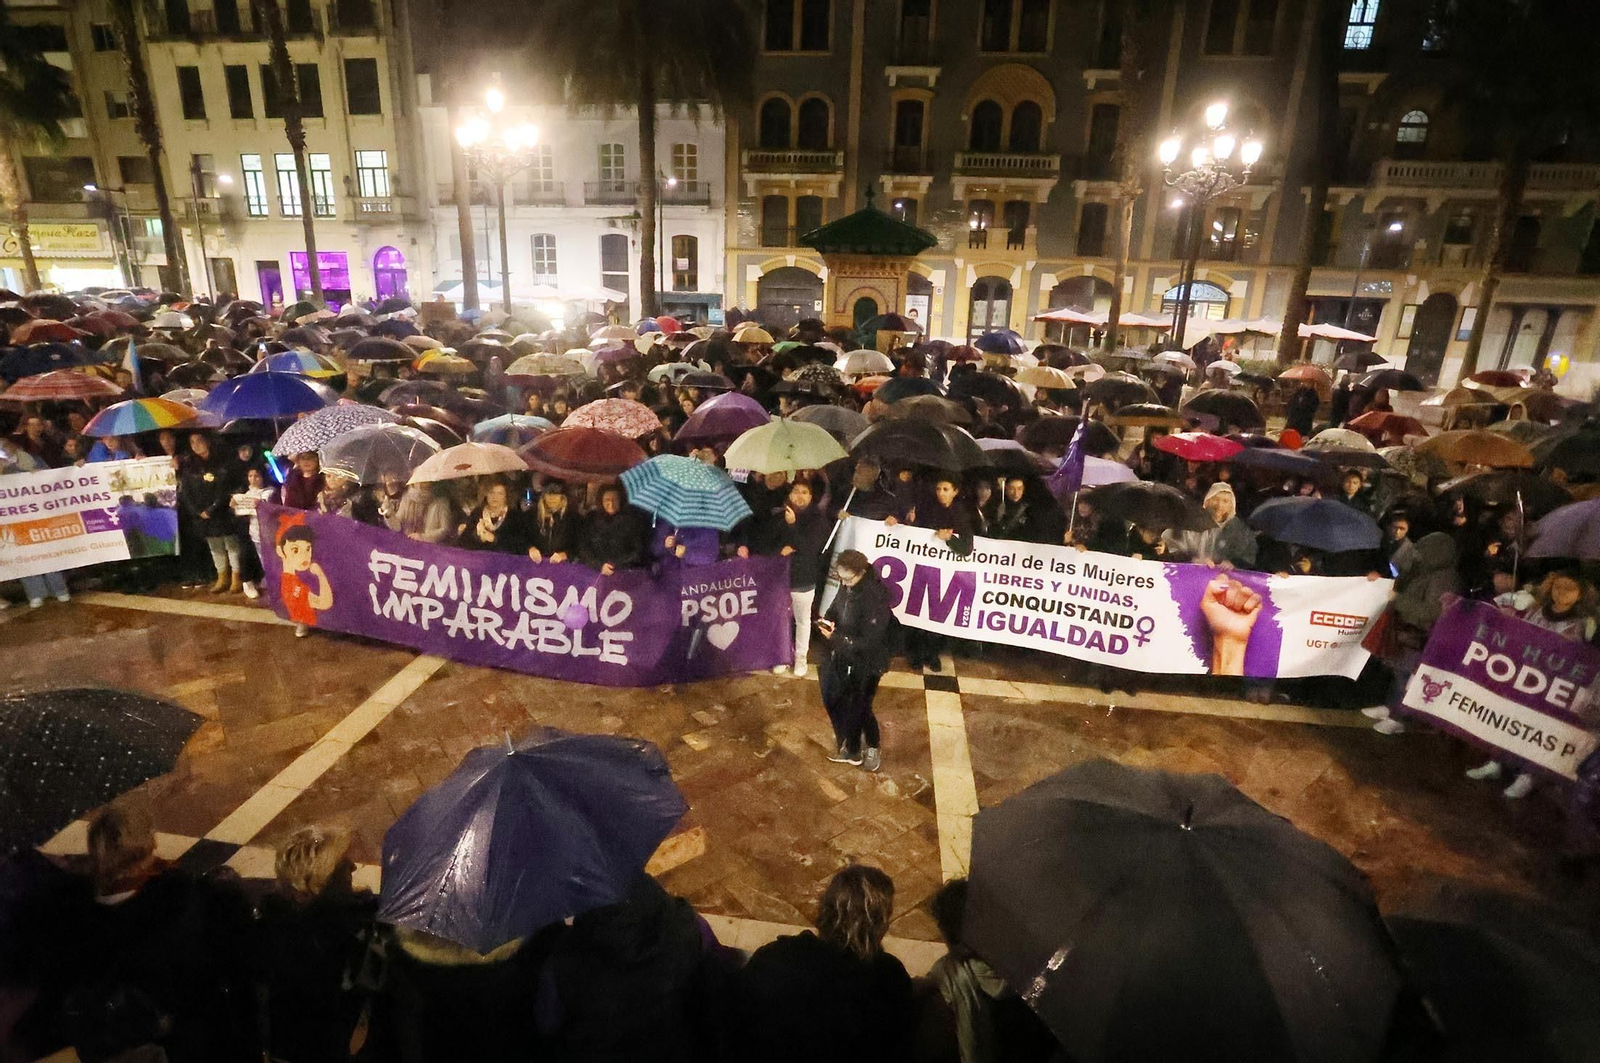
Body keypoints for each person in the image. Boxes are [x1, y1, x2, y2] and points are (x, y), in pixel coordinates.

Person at [735, 865, 915, 1063]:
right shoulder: (891, 978)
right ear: (881, 926)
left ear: (822, 908)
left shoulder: (773, 957)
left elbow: (739, 1021)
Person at [1465, 571, 1599, 799]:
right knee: (1514, 720)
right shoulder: (1537, 612)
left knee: (1540, 729)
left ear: (1581, 594)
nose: (1562, 593)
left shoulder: (1586, 624)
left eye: (1569, 588)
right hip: (1526, 679)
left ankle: (1529, 776)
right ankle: (1498, 762)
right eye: (1558, 586)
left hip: (1555, 687)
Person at [256, 828, 377, 1063]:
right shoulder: (339, 939)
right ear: (312, 887)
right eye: (341, 865)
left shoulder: (268, 927)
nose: (352, 866)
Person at [818, 550, 894, 770]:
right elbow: (835, 607)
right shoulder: (847, 585)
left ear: (861, 572)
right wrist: (828, 620)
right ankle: (852, 748)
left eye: (848, 578)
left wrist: (837, 638)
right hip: (846, 655)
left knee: (862, 705)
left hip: (870, 661)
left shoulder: (874, 597)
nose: (844, 583)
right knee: (849, 701)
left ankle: (871, 746)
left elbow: (870, 640)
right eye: (840, 578)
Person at [766, 479, 830, 678]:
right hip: (780, 577)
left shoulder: (818, 520)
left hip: (803, 578)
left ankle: (801, 656)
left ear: (811, 497)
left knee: (802, 620)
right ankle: (782, 655)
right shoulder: (779, 514)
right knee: (781, 619)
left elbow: (810, 548)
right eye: (796, 491)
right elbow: (768, 543)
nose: (799, 496)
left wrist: (793, 526)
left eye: (804, 492)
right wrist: (780, 550)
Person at [180, 432, 246, 594]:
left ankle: (236, 577)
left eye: (199, 440)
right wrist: (197, 511)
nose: (196, 445)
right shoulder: (190, 465)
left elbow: (228, 488)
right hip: (202, 514)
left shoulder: (223, 461)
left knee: (231, 543)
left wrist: (213, 508)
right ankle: (222, 576)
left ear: (208, 441)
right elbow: (186, 492)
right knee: (215, 546)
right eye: (192, 442)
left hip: (223, 512)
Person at [1162, 482, 1257, 569]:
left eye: (1225, 501)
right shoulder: (1191, 521)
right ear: (1207, 501)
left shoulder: (1237, 528)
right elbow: (1172, 546)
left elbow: (1248, 553)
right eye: (1215, 499)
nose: (1219, 505)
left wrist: (1233, 563)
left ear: (1231, 505)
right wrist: (1193, 560)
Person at [230, 465, 278, 599]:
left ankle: (274, 583)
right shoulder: (247, 493)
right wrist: (235, 506)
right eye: (250, 476)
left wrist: (260, 503)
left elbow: (268, 504)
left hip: (269, 532)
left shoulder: (270, 491)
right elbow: (242, 510)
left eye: (256, 476)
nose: (253, 479)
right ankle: (268, 580)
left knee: (272, 558)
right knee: (262, 558)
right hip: (255, 532)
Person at [578, 485, 649, 575]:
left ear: (620, 500)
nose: (611, 504)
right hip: (595, 573)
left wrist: (616, 565)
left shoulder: (632, 521)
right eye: (607, 500)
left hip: (624, 573)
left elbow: (638, 550)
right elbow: (583, 547)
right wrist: (599, 565)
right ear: (601, 501)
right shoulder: (591, 519)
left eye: (615, 499)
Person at [457, 480, 531, 554]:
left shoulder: (515, 516)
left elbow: (519, 544)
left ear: (506, 496)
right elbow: (464, 542)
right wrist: (475, 535)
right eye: (491, 492)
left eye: (500, 494)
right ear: (485, 494)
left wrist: (494, 539)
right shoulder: (477, 513)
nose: (495, 497)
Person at [388, 480, 456, 543]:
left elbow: (445, 529)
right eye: (417, 481)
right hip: (408, 543)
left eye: (424, 481)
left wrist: (423, 537)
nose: (419, 484)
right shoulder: (407, 498)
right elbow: (397, 526)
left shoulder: (441, 502)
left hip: (431, 548)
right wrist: (389, 514)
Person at [526, 481, 578, 562]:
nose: (552, 498)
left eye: (556, 495)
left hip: (562, 565)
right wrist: (530, 548)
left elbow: (577, 545)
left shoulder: (572, 518)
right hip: (536, 564)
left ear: (562, 497)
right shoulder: (532, 515)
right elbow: (522, 537)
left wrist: (564, 554)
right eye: (549, 494)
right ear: (543, 496)